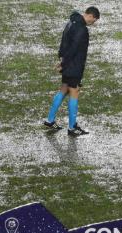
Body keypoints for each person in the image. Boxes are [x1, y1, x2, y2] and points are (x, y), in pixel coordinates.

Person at [43, 6, 100, 136]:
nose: (93, 23)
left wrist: (61, 58)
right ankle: (72, 127)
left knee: (64, 89)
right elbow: (74, 49)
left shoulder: (71, 22)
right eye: (94, 20)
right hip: (74, 66)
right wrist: (63, 63)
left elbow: (64, 41)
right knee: (74, 91)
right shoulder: (82, 29)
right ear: (90, 16)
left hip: (68, 63)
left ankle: (50, 120)